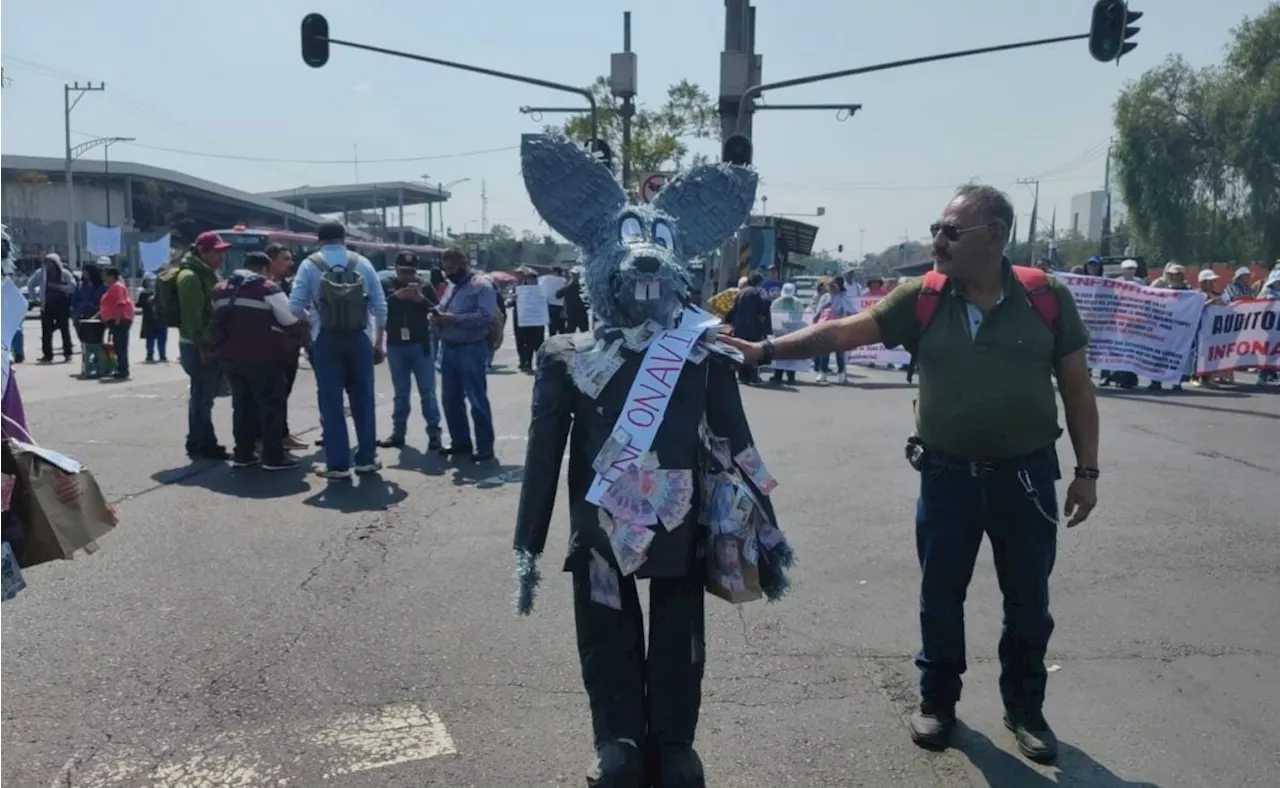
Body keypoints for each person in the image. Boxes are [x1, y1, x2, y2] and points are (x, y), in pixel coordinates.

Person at [724, 184, 1100, 764]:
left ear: (995, 237)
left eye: (953, 231)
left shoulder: (1045, 297)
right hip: (946, 477)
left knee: (1029, 601)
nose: (938, 241)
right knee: (939, 596)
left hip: (1025, 480)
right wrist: (763, 350)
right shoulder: (920, 297)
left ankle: (1025, 710)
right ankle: (938, 705)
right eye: (937, 228)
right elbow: (842, 332)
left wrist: (1087, 471)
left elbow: (1077, 386)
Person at [289, 220, 387, 480]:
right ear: (344, 238)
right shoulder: (363, 264)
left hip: (326, 340)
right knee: (363, 399)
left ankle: (337, 465)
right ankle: (366, 459)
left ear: (318, 239)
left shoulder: (310, 264)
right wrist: (378, 341)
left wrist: (314, 320)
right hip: (360, 338)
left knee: (331, 402)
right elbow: (380, 305)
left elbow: (295, 306)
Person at [211, 251, 304, 470]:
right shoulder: (267, 288)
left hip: (230, 356)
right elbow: (290, 319)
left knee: (242, 404)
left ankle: (243, 454)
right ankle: (273, 457)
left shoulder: (220, 288)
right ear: (265, 269)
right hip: (265, 356)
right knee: (271, 404)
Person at [432, 247, 497, 463]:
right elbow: (443, 308)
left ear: (463, 265)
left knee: (477, 399)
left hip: (472, 348)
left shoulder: (482, 286)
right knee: (451, 400)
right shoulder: (452, 287)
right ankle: (461, 442)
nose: (448, 272)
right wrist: (436, 315)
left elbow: (485, 316)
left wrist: (453, 319)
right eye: (445, 269)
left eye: (452, 268)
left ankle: (485, 446)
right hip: (449, 348)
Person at [378, 258, 443, 451]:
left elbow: (438, 310)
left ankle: (434, 434)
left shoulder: (424, 286)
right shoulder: (386, 285)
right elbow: (378, 307)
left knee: (428, 392)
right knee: (401, 392)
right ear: (396, 269)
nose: (407, 277)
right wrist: (396, 297)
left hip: (420, 344)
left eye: (411, 272)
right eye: (403, 272)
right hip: (396, 345)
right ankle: (398, 432)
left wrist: (421, 300)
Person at [176, 232, 230, 461]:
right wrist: (204, 347)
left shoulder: (205, 274)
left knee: (203, 397)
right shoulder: (190, 277)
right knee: (202, 397)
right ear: (202, 252)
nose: (222, 256)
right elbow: (193, 319)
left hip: (204, 343)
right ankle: (199, 442)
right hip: (197, 345)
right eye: (217, 252)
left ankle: (205, 440)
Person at [265, 243, 307, 451]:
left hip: (291, 347)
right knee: (274, 394)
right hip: (274, 347)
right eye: (285, 259)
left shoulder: (290, 284)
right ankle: (271, 438)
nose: (291, 263)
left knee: (284, 392)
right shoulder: (265, 286)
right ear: (271, 261)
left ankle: (283, 433)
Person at [724, 273, 771, 384]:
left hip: (739, 327)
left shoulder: (740, 293)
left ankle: (742, 376)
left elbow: (733, 311)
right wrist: (763, 318)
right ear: (759, 282)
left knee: (741, 350)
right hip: (753, 327)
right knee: (754, 350)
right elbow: (766, 303)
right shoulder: (759, 291)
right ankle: (754, 377)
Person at [29, 253, 76, 363]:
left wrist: (59, 287)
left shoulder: (64, 274)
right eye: (47, 262)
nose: (49, 264)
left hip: (61, 304)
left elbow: (73, 287)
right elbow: (30, 284)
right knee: (46, 331)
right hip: (47, 305)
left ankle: (68, 353)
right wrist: (34, 297)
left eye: (51, 262)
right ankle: (47, 354)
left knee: (64, 329)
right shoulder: (41, 273)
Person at [809, 278, 854, 384]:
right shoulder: (825, 297)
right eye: (830, 286)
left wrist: (840, 312)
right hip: (825, 327)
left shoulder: (845, 297)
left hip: (840, 328)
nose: (831, 288)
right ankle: (822, 373)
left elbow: (850, 312)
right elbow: (818, 311)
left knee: (840, 352)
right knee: (825, 351)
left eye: (833, 286)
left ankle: (841, 375)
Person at [98, 266, 134, 380]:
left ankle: (123, 370)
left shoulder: (118, 287)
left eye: (105, 275)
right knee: (118, 346)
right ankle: (121, 367)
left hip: (120, 320)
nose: (103, 277)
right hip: (114, 320)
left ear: (112, 276)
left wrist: (118, 320)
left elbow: (120, 303)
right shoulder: (111, 287)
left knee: (121, 346)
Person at [511, 267, 546, 372]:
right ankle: (527, 363)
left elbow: (545, 304)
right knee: (526, 342)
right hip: (524, 320)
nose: (532, 280)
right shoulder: (519, 289)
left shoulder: (541, 290)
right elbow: (511, 301)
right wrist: (514, 299)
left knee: (539, 343)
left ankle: (540, 363)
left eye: (533, 278)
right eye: (529, 278)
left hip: (538, 321)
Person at [137, 274, 169, 363]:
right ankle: (160, 356)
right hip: (159, 319)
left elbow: (138, 304)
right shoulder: (162, 293)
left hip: (150, 320)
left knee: (152, 339)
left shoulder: (143, 293)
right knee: (159, 339)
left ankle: (151, 355)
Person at [558, 267, 590, 333]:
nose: (574, 276)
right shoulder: (583, 286)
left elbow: (558, 294)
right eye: (573, 274)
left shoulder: (571, 286)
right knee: (572, 333)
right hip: (574, 314)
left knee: (584, 333)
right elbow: (558, 295)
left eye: (575, 274)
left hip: (579, 313)